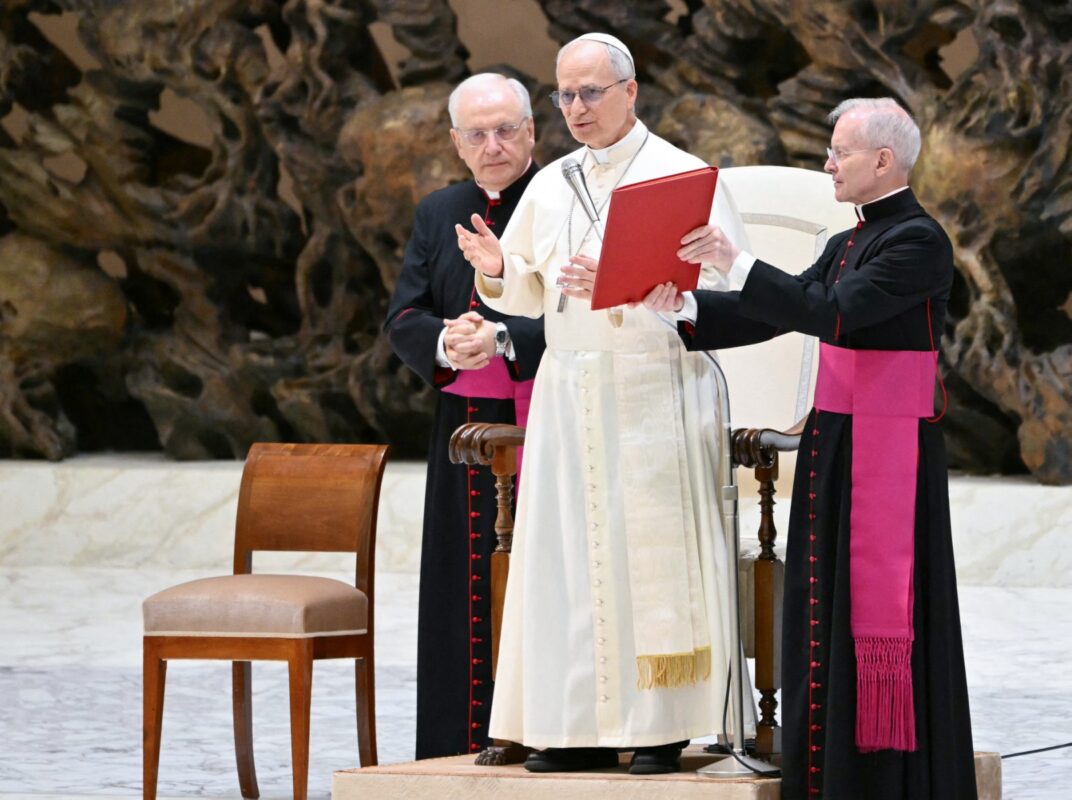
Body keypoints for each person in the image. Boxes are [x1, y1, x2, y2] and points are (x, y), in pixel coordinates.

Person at [654, 97, 977, 799]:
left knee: (885, 608)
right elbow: (785, 306)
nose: (828, 163)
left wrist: (736, 259)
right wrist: (684, 309)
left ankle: (889, 777)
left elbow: (835, 314)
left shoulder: (919, 242)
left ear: (883, 160)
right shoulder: (848, 240)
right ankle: (826, 768)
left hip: (890, 452)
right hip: (835, 446)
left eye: (840, 153)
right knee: (819, 601)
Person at [455, 33, 749, 774]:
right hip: (569, 387)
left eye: (590, 92)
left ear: (630, 90)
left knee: (644, 558)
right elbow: (525, 285)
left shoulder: (683, 176)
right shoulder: (552, 182)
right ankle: (570, 726)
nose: (576, 108)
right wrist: (498, 272)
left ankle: (660, 726)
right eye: (565, 95)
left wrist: (654, 288)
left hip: (655, 384)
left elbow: (728, 286)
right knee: (567, 558)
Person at [384, 73, 545, 760]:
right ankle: (458, 739)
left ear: (532, 132)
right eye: (477, 134)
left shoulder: (563, 199)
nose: (493, 144)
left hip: (547, 420)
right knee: (463, 586)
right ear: (455, 142)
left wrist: (505, 337)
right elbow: (405, 313)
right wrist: (445, 341)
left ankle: (546, 734)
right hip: (465, 427)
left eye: (506, 129)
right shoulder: (437, 210)